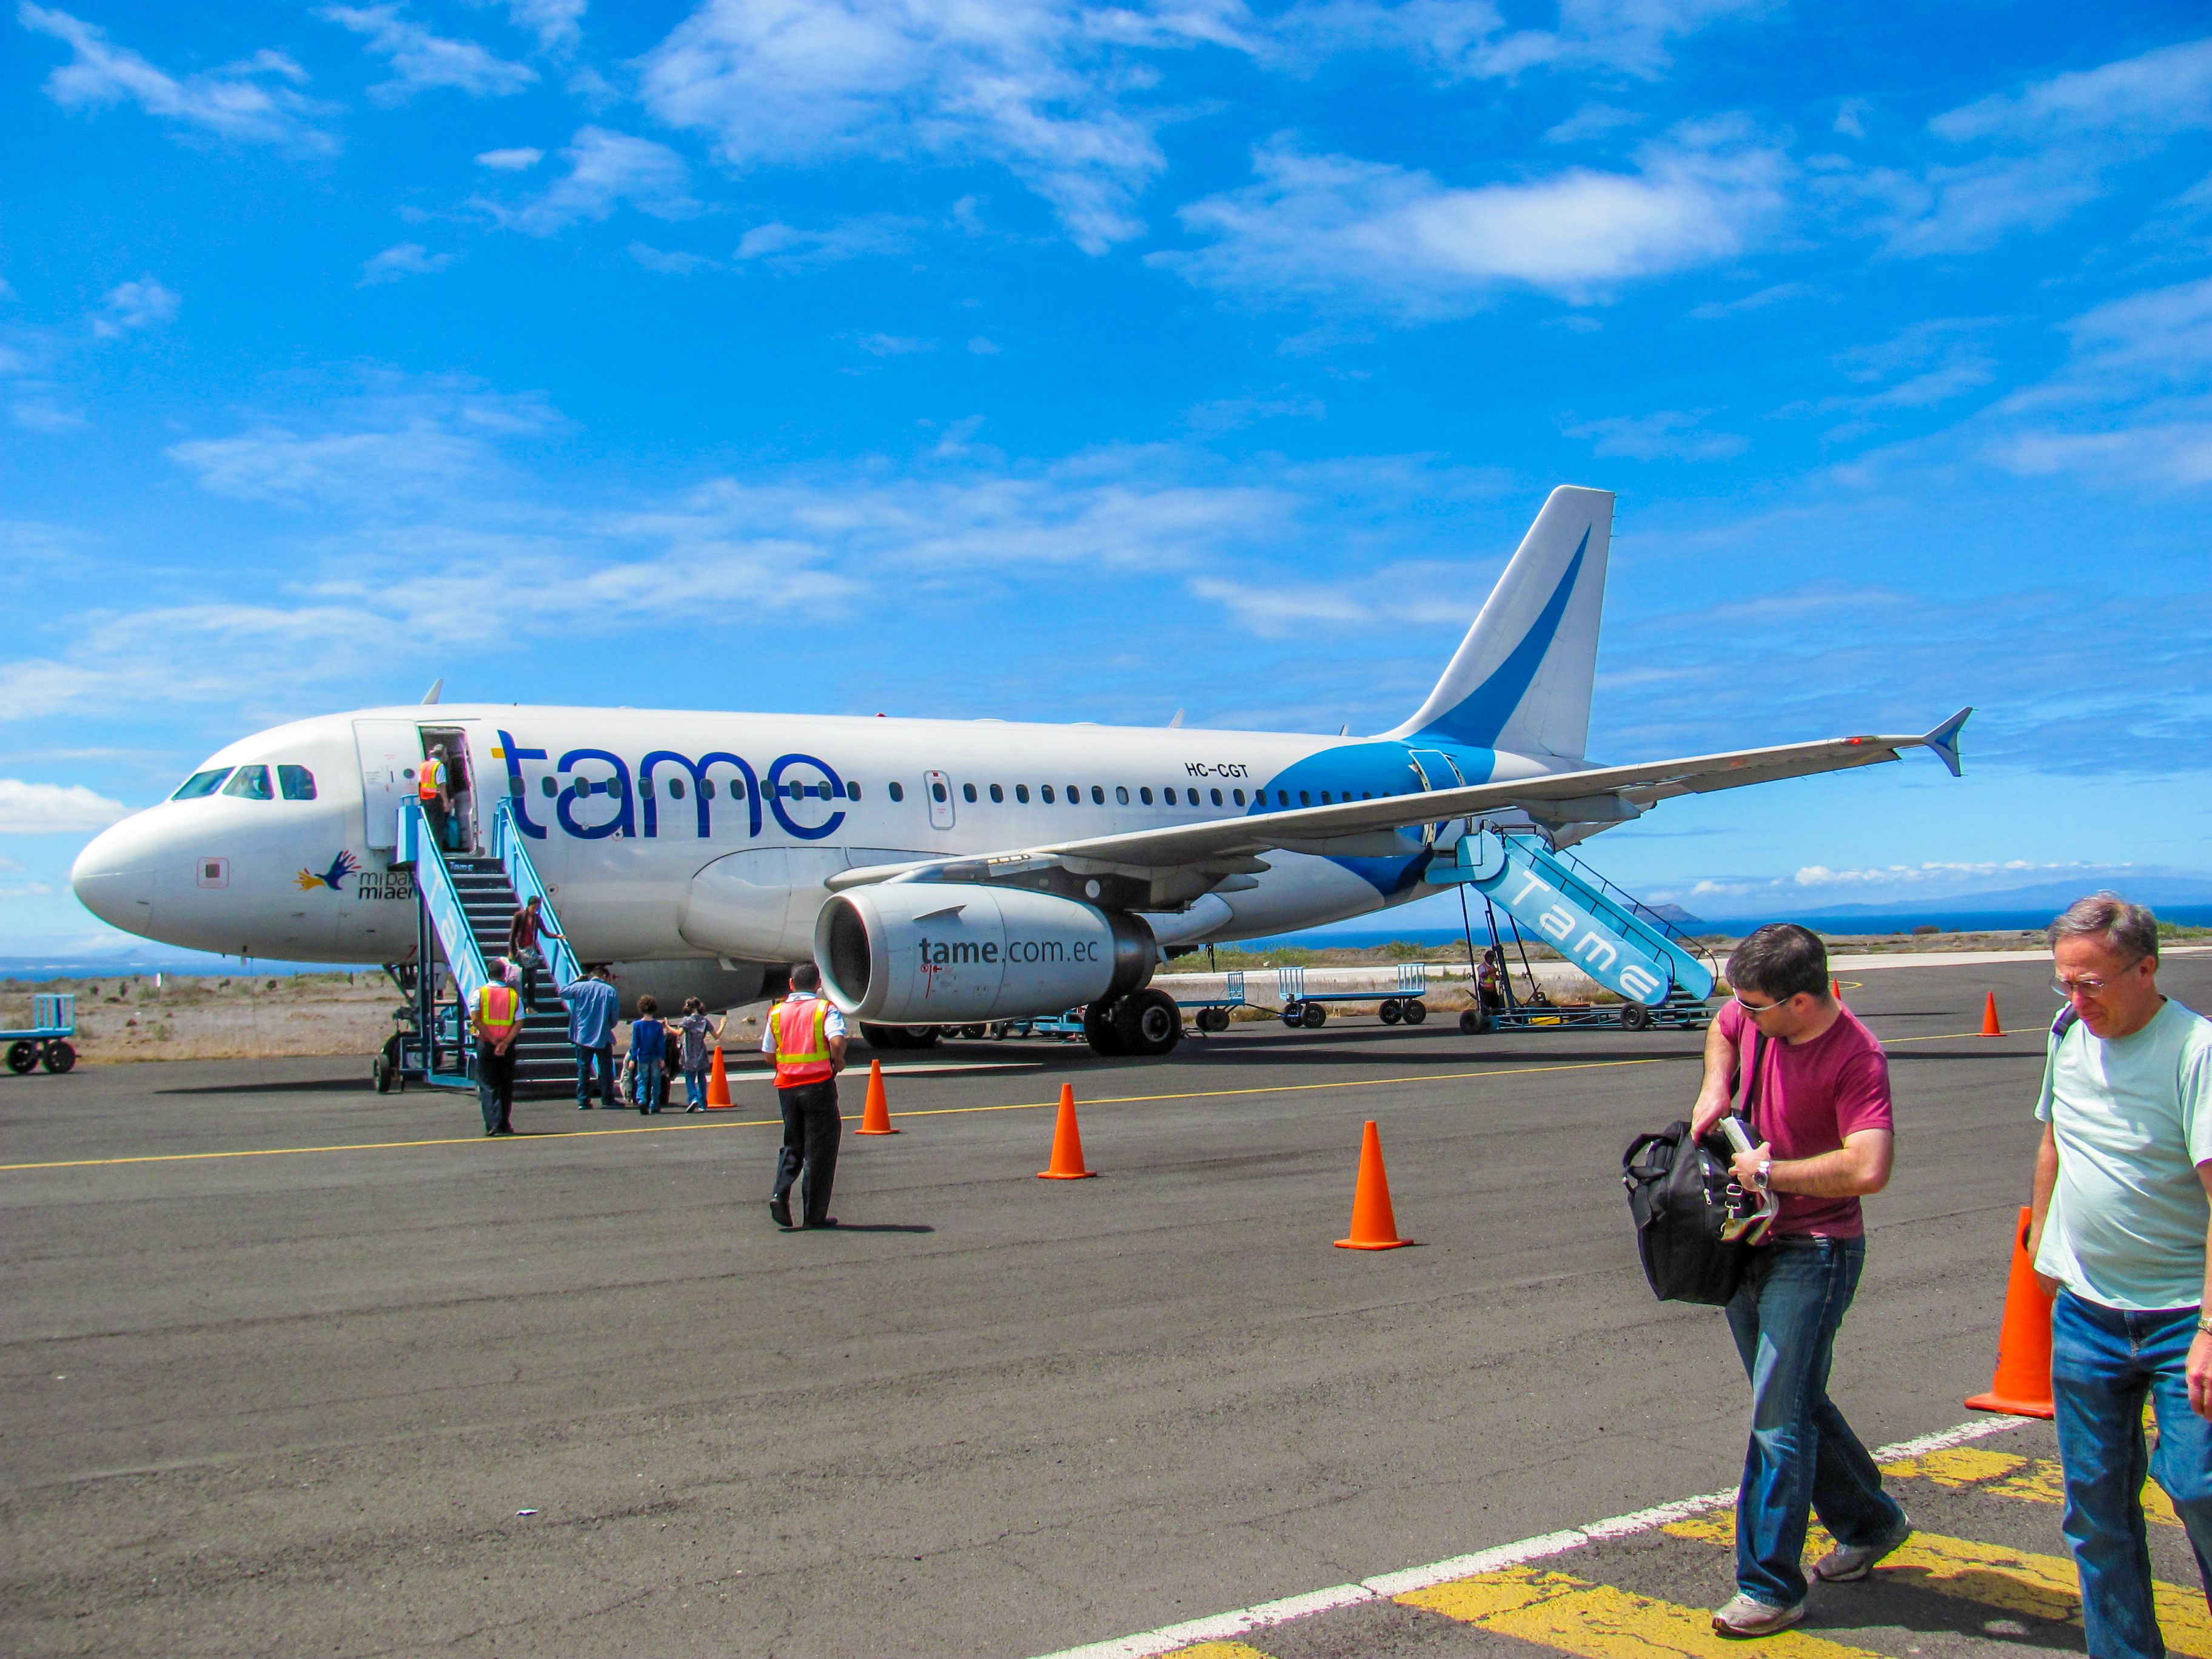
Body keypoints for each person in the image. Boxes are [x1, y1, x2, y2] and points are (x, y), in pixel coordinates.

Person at [1687, 922, 1906, 1635]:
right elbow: (1722, 1028)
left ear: (1803, 1002)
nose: (1742, 1016)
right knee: (1794, 1402)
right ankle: (1871, 1522)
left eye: (1756, 1006)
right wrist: (1715, 1090)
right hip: (1750, 1238)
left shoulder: (1857, 1060)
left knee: (1777, 1420)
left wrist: (1772, 1173)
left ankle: (1770, 1586)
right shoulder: (1752, 1020)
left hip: (1815, 1249)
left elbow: (1868, 1167)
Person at [2025, 894, 2212, 1659]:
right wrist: (2044, 1263)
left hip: (2182, 1318)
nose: (2077, 999)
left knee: (2200, 1489)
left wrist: (2209, 1330)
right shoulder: (2067, 1033)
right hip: (2089, 1314)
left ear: (2146, 969)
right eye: (2065, 982)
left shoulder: (2196, 1051)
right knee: (2095, 1509)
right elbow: (2053, 1144)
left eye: (2092, 983)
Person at [762, 964, 846, 1229]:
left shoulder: (776, 1013)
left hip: (787, 1087)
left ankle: (780, 1193)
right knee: (819, 1151)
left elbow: (768, 1053)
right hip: (818, 1085)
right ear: (818, 983)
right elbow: (836, 1040)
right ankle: (814, 1215)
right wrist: (839, 1059)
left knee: (793, 1143)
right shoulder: (824, 1009)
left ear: (790, 985)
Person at [471, 962, 523, 1136]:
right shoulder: (513, 995)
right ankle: (504, 1124)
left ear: (488, 974)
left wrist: (493, 1039)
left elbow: (476, 1019)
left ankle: (493, 1124)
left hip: (487, 1043)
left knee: (488, 1085)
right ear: (503, 976)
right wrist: (505, 1043)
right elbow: (519, 1021)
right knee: (505, 1085)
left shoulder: (480, 993)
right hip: (507, 1047)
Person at [561, 963, 620, 1110]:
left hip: (582, 1034)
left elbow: (563, 992)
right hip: (602, 1034)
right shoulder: (610, 991)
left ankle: (583, 1100)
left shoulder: (581, 987)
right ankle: (607, 1098)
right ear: (605, 976)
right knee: (605, 1068)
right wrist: (609, 1026)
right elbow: (614, 1016)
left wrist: (576, 981)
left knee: (584, 1068)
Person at [508, 895, 565, 1013]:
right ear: (528, 906)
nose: (535, 910)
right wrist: (512, 951)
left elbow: (545, 932)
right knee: (522, 980)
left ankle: (531, 1006)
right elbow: (513, 935)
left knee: (533, 981)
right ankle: (519, 1006)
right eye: (534, 908)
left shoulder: (537, 919)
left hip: (531, 952)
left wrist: (557, 936)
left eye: (537, 908)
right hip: (520, 952)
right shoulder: (519, 916)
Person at [675, 996, 726, 1113]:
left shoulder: (686, 1021)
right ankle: (703, 1103)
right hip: (701, 1052)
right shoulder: (705, 1021)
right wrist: (722, 1024)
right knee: (702, 1078)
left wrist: (667, 1026)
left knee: (689, 1077)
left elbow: (679, 1033)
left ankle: (693, 1097)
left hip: (689, 1054)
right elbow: (716, 1036)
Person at [629, 995, 668, 1116]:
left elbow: (635, 1043)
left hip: (642, 1056)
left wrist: (633, 1058)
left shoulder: (637, 1025)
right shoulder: (657, 1026)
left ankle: (641, 1099)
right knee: (656, 1081)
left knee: (642, 1079)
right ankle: (655, 1104)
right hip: (655, 1056)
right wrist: (662, 1058)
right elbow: (661, 1044)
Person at [417, 745, 450, 851]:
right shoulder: (439, 766)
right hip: (435, 798)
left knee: (429, 825)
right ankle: (437, 850)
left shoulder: (424, 765)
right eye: (445, 753)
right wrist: (446, 802)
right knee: (437, 826)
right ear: (442, 754)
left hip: (425, 799)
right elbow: (441, 785)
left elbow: (420, 783)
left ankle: (428, 849)